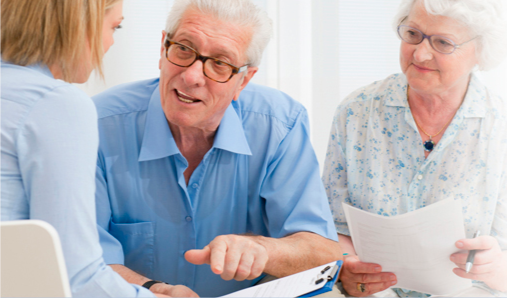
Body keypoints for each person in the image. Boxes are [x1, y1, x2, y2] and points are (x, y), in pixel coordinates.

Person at [92, 0, 342, 296]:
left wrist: (262, 250)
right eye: (183, 49)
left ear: (244, 80)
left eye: (220, 64)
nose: (192, 76)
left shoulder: (280, 125)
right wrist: (150, 289)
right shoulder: (96, 124)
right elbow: (82, 260)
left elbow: (323, 253)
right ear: (163, 49)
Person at [1, 0, 187, 296]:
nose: (111, 42)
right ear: (79, 22)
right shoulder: (54, 104)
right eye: (115, 26)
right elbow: (76, 276)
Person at [322, 0, 507, 297]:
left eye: (443, 43)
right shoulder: (356, 112)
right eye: (412, 34)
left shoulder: (500, 127)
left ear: (480, 53)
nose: (420, 53)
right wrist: (347, 266)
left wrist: (498, 269)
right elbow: (334, 226)